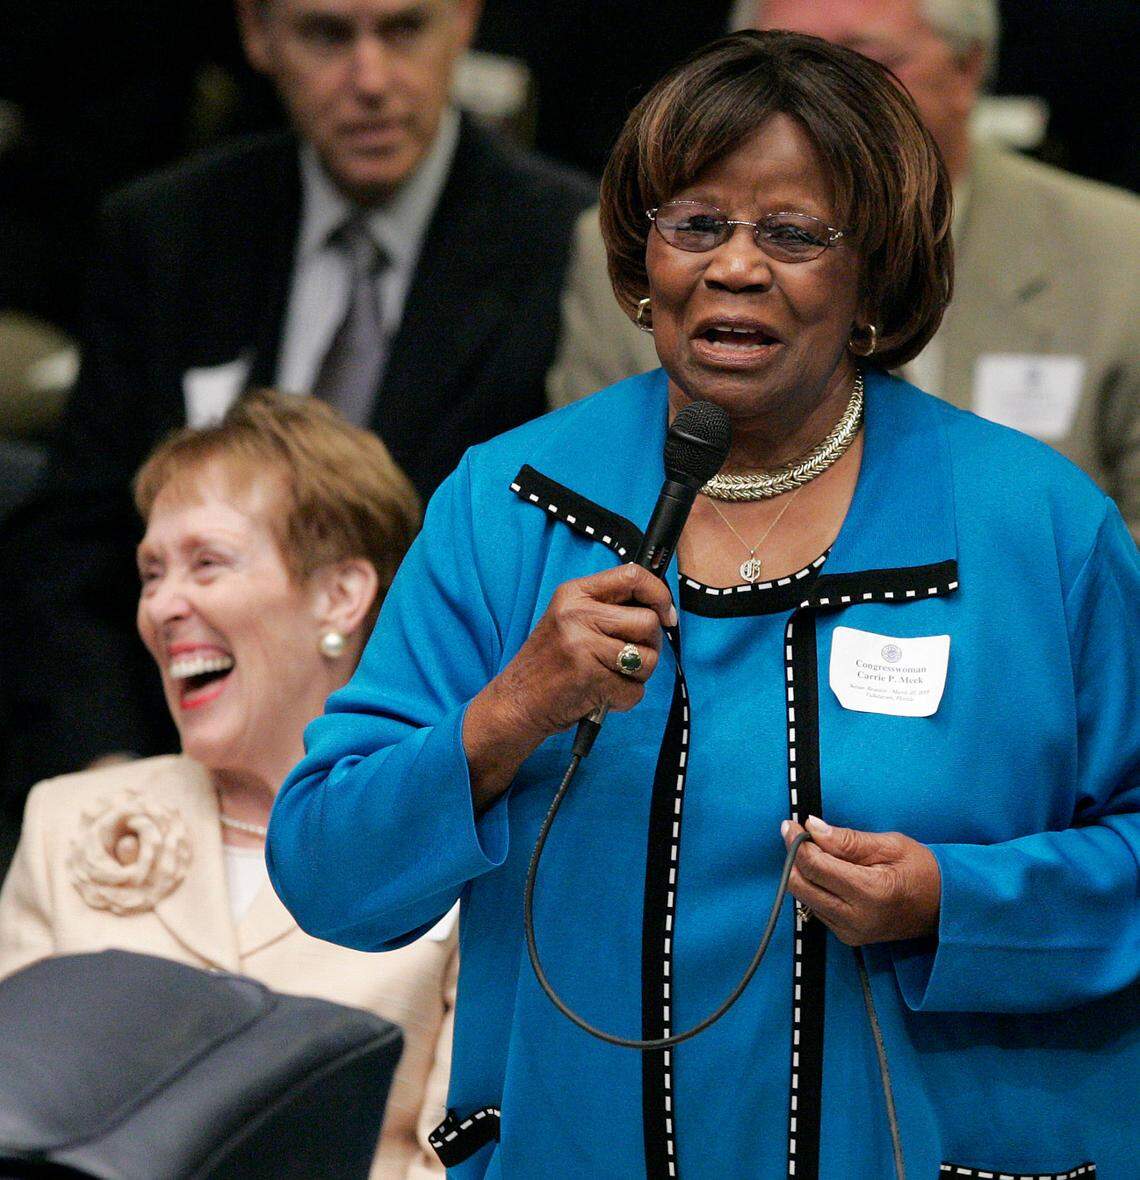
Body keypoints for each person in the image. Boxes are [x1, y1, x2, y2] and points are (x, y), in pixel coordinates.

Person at [266, 31, 1140, 1179]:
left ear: (872, 272)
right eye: (696, 224)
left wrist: (953, 897)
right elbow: (325, 866)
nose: (735, 266)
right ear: (640, 260)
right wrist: (510, 710)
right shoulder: (512, 503)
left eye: (793, 233)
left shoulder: (1033, 525)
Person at [0, 0, 595, 801]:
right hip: (170, 764)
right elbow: (73, 547)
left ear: (465, 20)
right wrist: (113, 776)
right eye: (327, 34)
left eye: (404, 29)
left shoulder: (570, 244)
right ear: (257, 33)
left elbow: (566, 576)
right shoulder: (168, 232)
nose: (372, 80)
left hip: (448, 789)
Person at [0, 391, 454, 1179]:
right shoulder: (67, 821)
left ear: (340, 595)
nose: (162, 607)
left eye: (206, 563)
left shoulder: (457, 837)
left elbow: (454, 1161)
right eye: (151, 573)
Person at [548, 0, 1140, 542]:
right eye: (789, 60)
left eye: (866, 62)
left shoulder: (1120, 254)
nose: (735, 268)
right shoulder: (506, 488)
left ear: (967, 71)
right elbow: (580, 497)